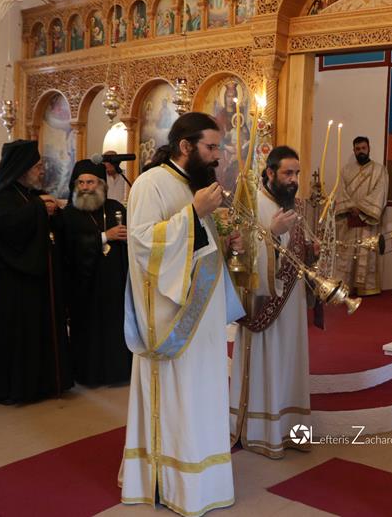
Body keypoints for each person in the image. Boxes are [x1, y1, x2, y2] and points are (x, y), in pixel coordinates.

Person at [119, 112, 244, 515]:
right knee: (179, 398)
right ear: (185, 146)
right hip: (171, 317)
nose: (218, 156)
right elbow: (141, 242)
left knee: (204, 394)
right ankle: (171, 482)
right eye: (211, 147)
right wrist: (193, 213)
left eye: (219, 147)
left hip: (203, 318)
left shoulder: (195, 185)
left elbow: (200, 245)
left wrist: (223, 236)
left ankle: (203, 478)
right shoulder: (151, 183)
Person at [0, 140, 73, 403]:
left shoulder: (30, 194)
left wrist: (52, 212)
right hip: (10, 285)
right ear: (21, 168)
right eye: (37, 166)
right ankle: (15, 389)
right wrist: (40, 208)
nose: (42, 170)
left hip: (34, 281)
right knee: (18, 337)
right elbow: (9, 229)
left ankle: (42, 385)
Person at [230, 145, 312, 458]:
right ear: (270, 173)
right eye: (288, 173)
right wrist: (273, 234)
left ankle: (294, 432)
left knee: (291, 363)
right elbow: (239, 259)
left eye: (297, 174)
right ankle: (261, 432)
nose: (294, 180)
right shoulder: (250, 204)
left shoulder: (296, 205)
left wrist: (312, 250)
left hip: (292, 303)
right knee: (270, 364)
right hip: (264, 304)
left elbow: (300, 253)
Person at [63, 159, 130, 386]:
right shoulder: (70, 214)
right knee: (88, 330)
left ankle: (117, 373)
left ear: (101, 184)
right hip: (85, 285)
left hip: (114, 282)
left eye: (90, 182)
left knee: (115, 327)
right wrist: (104, 237)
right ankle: (89, 375)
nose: (85, 187)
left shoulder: (115, 208)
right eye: (80, 182)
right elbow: (69, 247)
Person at [334, 136, 388, 296]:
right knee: (347, 253)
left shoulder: (379, 170)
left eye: (363, 148)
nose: (361, 151)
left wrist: (361, 209)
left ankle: (366, 288)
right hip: (349, 218)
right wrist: (351, 207)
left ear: (369, 148)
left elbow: (380, 191)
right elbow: (340, 191)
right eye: (357, 149)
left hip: (368, 220)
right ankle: (345, 286)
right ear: (354, 150)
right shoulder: (346, 170)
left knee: (367, 252)